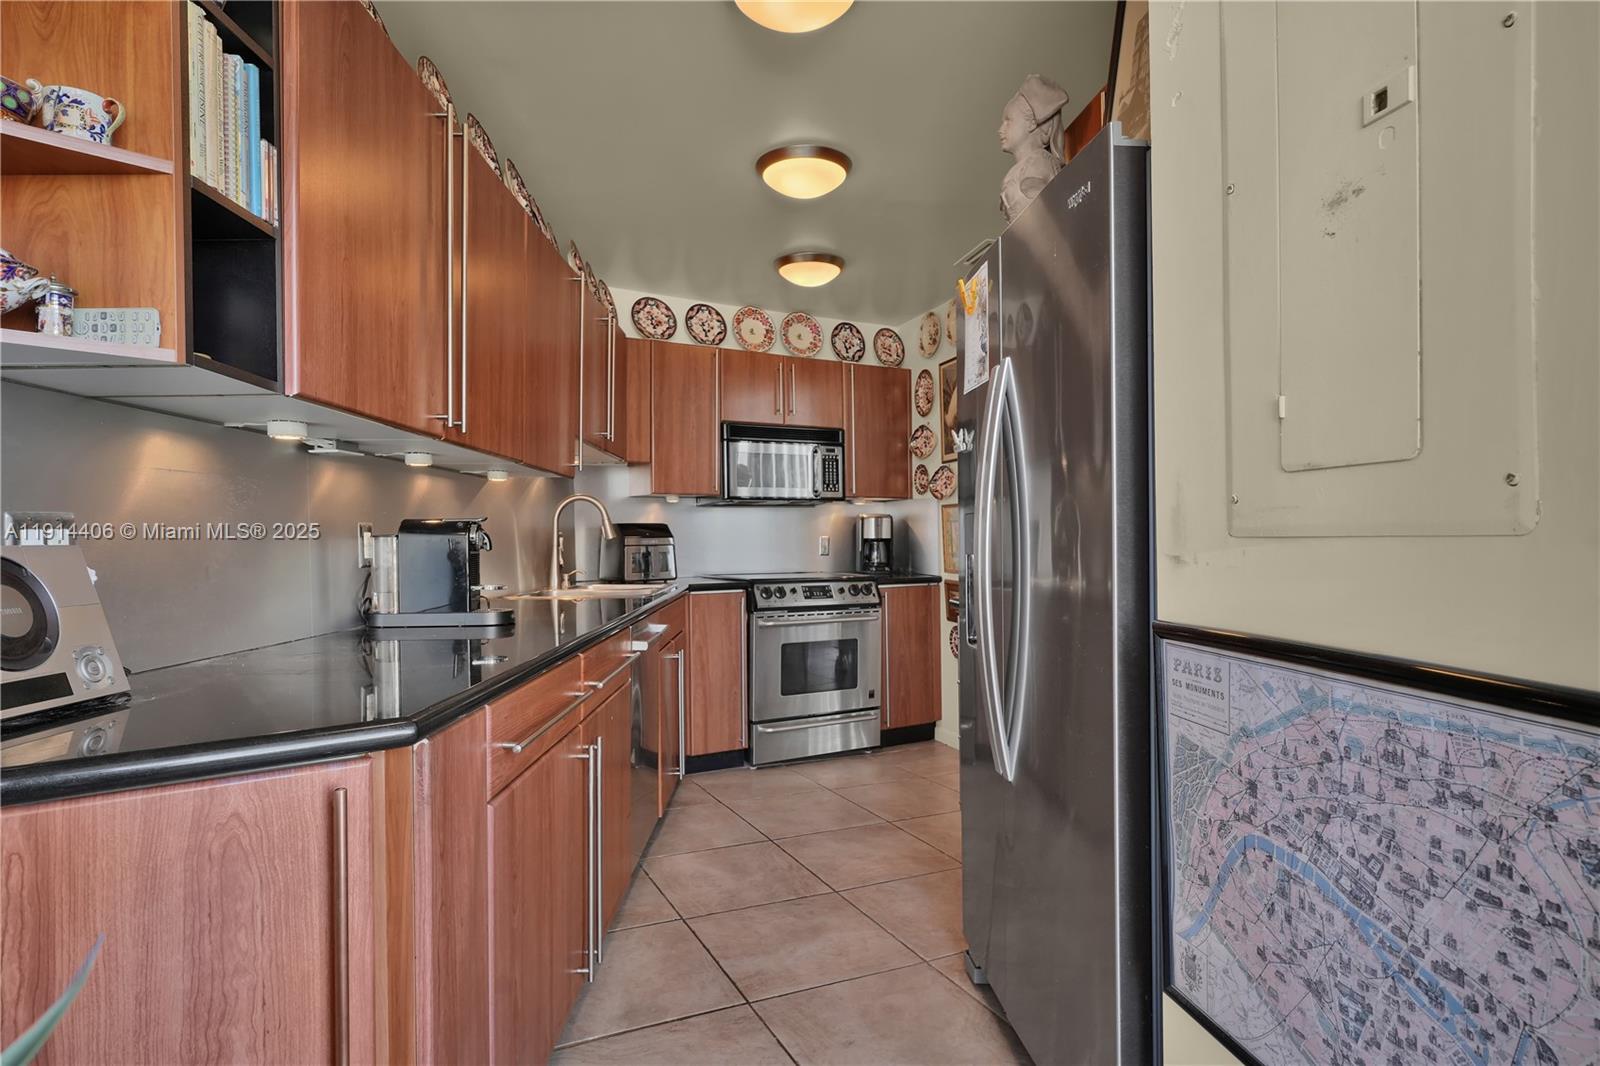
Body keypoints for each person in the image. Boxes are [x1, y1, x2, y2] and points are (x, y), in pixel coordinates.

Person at [999, 74, 1070, 223]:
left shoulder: (1039, 162)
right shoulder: (1022, 168)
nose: (1000, 130)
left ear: (1032, 123)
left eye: (1008, 121)